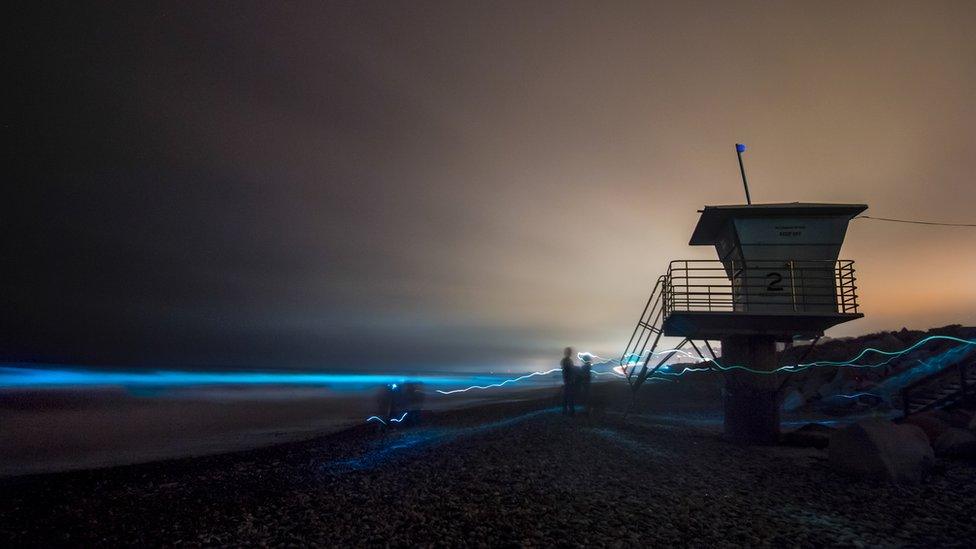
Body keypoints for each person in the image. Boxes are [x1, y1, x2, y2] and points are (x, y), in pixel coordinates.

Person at [561, 347, 576, 416]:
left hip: (568, 381)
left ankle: (567, 410)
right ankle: (569, 411)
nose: (570, 353)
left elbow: (566, 370)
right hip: (568, 381)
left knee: (568, 396)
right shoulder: (566, 361)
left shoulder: (567, 361)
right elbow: (567, 371)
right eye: (569, 352)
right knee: (568, 396)